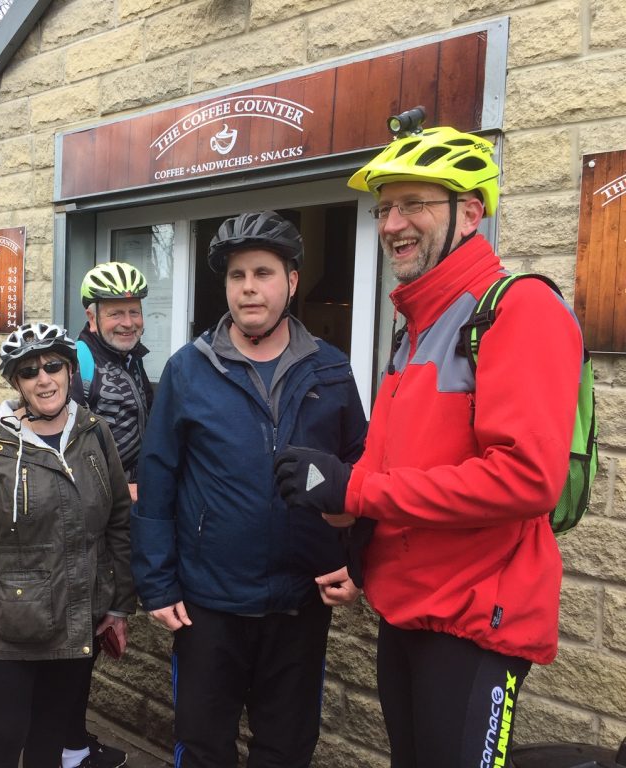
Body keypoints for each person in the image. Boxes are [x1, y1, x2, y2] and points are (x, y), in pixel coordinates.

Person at [274, 127, 583, 767]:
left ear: (470, 213)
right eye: (384, 207)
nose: (392, 223)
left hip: (475, 623)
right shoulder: (416, 326)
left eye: (414, 203)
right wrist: (353, 532)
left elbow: (527, 478)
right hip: (408, 611)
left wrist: (355, 488)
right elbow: (400, 471)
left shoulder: (517, 309)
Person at [131, 211, 368, 767]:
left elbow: (362, 476)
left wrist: (357, 562)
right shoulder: (190, 370)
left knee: (286, 748)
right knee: (204, 744)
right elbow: (158, 479)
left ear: (291, 280)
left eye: (263, 272)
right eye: (237, 276)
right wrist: (158, 584)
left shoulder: (330, 370)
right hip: (209, 603)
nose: (249, 288)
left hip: (299, 601)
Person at [0, 322, 135, 768]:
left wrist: (119, 606)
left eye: (52, 366)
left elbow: (118, 524)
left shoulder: (95, 433)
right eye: (29, 372)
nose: (44, 379)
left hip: (76, 615)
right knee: (6, 737)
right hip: (8, 620)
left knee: (49, 736)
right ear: (17, 383)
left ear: (69, 371)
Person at [63, 262, 152, 768]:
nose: (127, 321)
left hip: (115, 528)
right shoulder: (77, 363)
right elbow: (66, 450)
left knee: (90, 639)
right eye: (116, 312)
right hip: (83, 528)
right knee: (75, 641)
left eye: (134, 310)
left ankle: (69, 737)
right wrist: (120, 489)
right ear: (91, 317)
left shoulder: (132, 361)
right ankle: (63, 744)